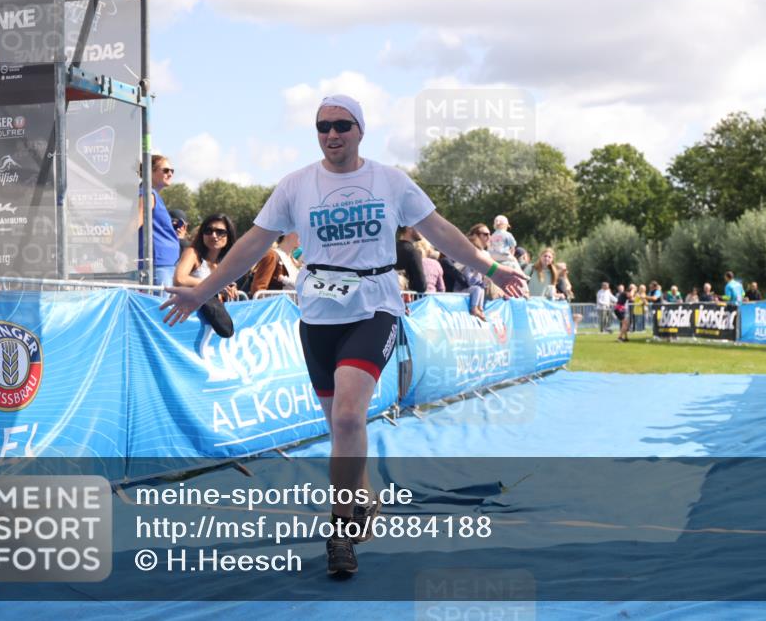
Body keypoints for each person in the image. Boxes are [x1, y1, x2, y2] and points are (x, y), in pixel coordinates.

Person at [160, 95, 527, 577]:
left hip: (374, 305)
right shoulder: (296, 185)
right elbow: (251, 244)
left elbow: (440, 231)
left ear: (360, 130)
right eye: (323, 127)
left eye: (341, 125)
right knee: (341, 427)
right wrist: (199, 292)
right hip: (318, 313)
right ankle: (365, 498)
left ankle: (341, 532)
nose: (332, 134)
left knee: (351, 415)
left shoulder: (389, 181)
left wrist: (492, 268)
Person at [173, 214, 240, 302]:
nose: (214, 235)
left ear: (229, 236)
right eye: (208, 231)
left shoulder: (225, 262)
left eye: (220, 232)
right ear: (202, 234)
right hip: (186, 311)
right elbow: (179, 279)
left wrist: (231, 288)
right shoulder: (192, 253)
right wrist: (216, 286)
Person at [138, 154, 181, 286]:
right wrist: (115, 246)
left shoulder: (153, 195)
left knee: (163, 305)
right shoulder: (147, 194)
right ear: (149, 172)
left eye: (172, 171)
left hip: (166, 264)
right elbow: (136, 222)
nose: (170, 174)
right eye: (166, 170)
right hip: (158, 264)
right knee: (159, 305)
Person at [395, 226, 427, 293]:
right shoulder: (413, 252)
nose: (423, 231)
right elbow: (421, 286)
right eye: (419, 226)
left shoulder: (390, 249)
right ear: (409, 228)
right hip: (408, 300)